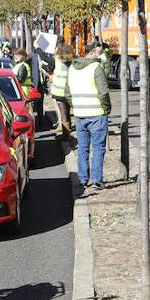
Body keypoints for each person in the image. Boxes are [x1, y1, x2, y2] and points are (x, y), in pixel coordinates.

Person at [71, 42, 111, 190]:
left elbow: (68, 92)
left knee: (82, 148)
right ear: (92, 53)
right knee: (98, 148)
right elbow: (104, 92)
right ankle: (97, 179)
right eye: (98, 53)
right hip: (97, 114)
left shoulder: (73, 68)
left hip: (80, 114)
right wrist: (106, 108)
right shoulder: (96, 67)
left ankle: (82, 179)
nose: (100, 55)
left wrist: (77, 105)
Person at [52, 43, 75, 137]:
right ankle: (67, 132)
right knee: (67, 112)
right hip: (70, 91)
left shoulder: (58, 60)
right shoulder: (73, 62)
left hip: (59, 92)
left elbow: (53, 56)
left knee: (63, 114)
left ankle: (66, 135)